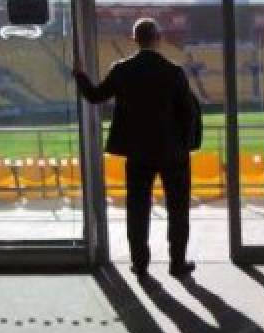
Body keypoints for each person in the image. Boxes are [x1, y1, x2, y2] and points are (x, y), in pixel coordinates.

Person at [73, 18, 202, 277]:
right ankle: (177, 263)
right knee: (178, 209)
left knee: (137, 209)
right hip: (172, 152)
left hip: (138, 152)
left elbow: (95, 96)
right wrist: (187, 144)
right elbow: (188, 113)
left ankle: (140, 263)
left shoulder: (121, 70)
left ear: (135, 39)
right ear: (158, 37)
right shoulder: (173, 71)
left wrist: (80, 75)